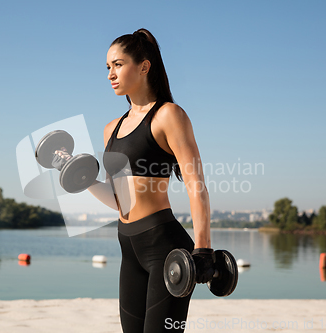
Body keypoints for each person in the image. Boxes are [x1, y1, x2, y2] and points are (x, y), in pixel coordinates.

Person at [57, 28, 212, 333]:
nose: (110, 74)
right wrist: (83, 177)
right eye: (107, 67)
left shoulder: (169, 115)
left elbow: (197, 185)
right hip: (129, 246)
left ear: (143, 66)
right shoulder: (110, 129)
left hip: (165, 245)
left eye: (118, 64)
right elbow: (119, 200)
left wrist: (203, 247)